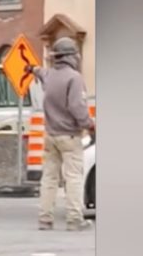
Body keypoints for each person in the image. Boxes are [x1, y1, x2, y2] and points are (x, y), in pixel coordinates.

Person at [25, 36, 95, 231]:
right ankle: (74, 219)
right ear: (72, 56)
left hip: (50, 135)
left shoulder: (50, 75)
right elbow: (77, 106)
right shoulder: (74, 78)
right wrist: (89, 124)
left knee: (49, 178)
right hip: (70, 136)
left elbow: (40, 73)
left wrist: (32, 69)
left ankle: (45, 219)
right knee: (73, 177)